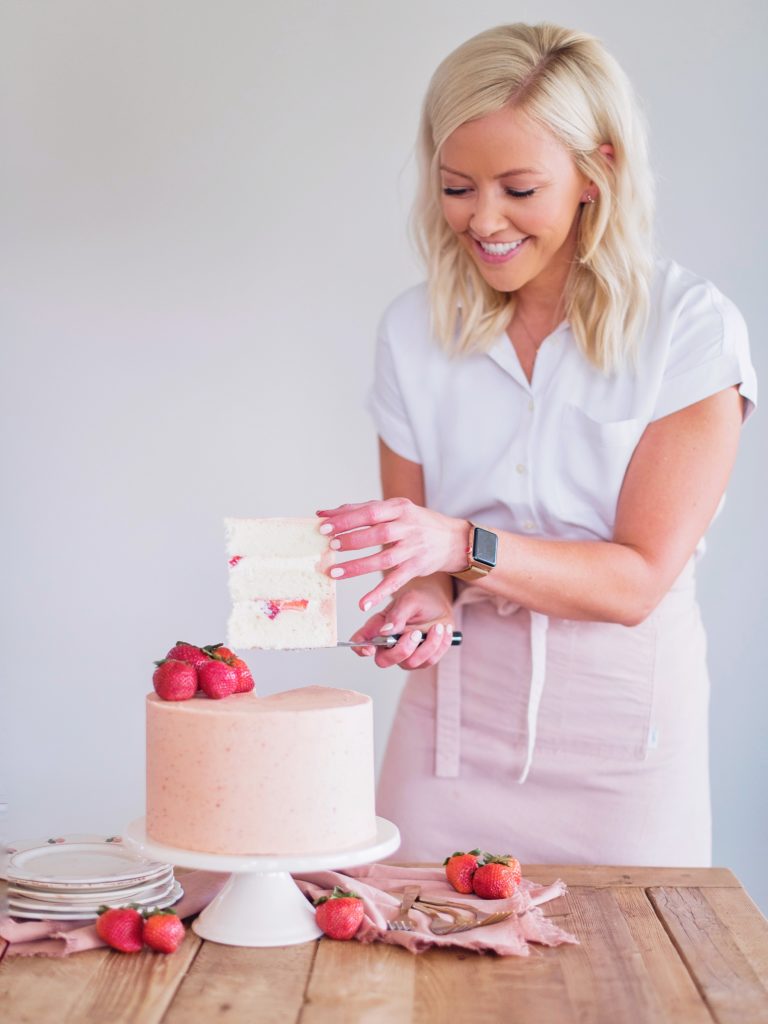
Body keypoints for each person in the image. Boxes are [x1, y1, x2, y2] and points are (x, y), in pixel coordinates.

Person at [316, 23, 756, 865]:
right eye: (456, 187)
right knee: (408, 976)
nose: (483, 221)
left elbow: (635, 582)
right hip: (447, 739)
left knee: (626, 988)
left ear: (600, 171)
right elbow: (432, 567)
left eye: (520, 189)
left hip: (624, 751)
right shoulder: (414, 330)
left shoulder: (689, 331)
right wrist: (426, 601)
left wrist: (456, 542)